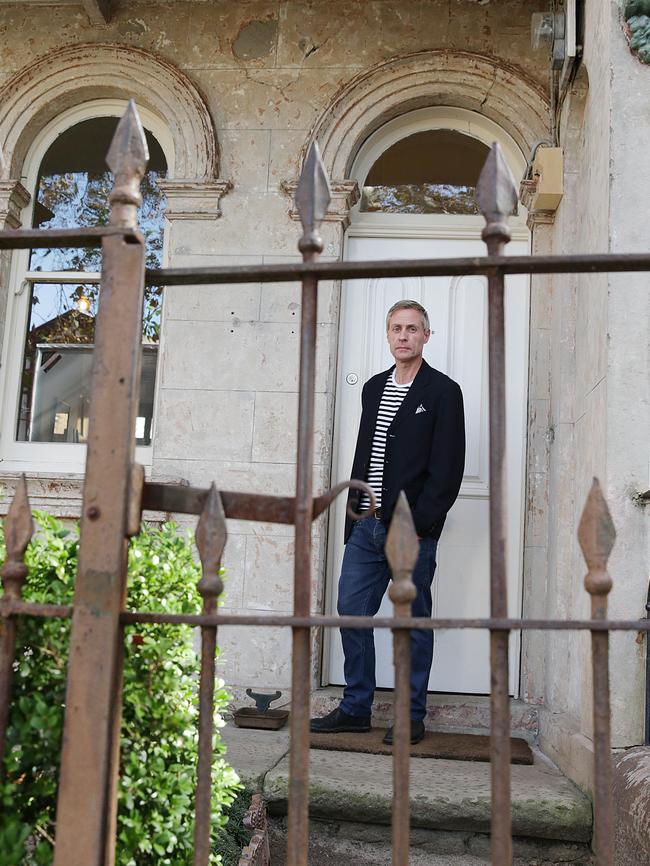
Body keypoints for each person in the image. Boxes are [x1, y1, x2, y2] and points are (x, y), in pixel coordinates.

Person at [310, 299, 465, 744]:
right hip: (366, 524)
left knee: (411, 623)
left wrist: (418, 525)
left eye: (412, 329)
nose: (403, 336)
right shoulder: (374, 387)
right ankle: (357, 707)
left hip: (409, 529)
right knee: (352, 613)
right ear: (388, 334)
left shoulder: (443, 392)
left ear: (426, 336)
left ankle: (410, 715)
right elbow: (366, 456)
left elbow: (448, 470)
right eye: (396, 328)